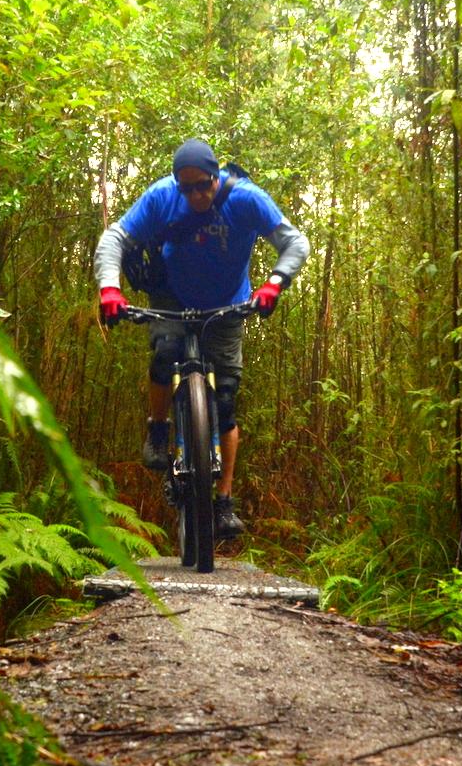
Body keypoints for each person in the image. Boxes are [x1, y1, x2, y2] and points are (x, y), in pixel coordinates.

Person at [93, 138, 310, 540]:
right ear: (177, 184)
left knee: (225, 401)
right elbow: (115, 239)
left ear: (216, 178)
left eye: (203, 186)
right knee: (164, 353)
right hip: (171, 297)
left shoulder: (245, 199)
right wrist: (110, 288)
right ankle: (158, 428)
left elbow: (295, 242)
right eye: (187, 187)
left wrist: (274, 284)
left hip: (227, 304)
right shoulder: (161, 196)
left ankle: (223, 501)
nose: (196, 195)